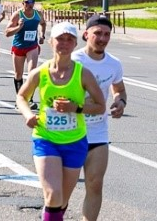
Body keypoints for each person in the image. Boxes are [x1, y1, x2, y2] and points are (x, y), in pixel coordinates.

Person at [16, 22, 106, 221]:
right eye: (59, 39)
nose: (64, 43)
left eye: (69, 40)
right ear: (50, 42)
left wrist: (76, 108)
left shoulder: (83, 74)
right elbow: (21, 97)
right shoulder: (41, 72)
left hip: (75, 142)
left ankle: (50, 216)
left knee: (62, 201)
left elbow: (101, 105)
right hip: (45, 139)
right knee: (53, 195)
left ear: (75, 44)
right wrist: (27, 115)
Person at [71, 15, 127, 221]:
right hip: (70, 132)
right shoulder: (74, 61)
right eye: (97, 34)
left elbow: (119, 89)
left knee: (95, 184)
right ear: (86, 34)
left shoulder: (113, 64)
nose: (102, 38)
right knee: (63, 190)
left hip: (98, 132)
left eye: (106, 34)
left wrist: (120, 102)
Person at [5, 0, 47, 109]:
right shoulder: (17, 15)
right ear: (23, 3)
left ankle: (29, 99)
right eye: (28, 2)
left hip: (32, 46)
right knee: (18, 74)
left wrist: (42, 35)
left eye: (32, 2)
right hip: (18, 47)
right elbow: (7, 32)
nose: (30, 4)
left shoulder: (37, 14)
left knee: (32, 72)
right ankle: (20, 99)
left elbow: (43, 24)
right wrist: (18, 27)